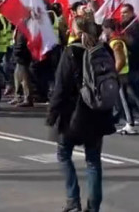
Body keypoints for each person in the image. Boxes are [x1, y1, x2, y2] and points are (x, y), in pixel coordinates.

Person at [47, 17, 115, 212]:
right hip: (99, 112)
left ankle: (73, 200)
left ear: (78, 30)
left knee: (63, 153)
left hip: (74, 114)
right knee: (93, 160)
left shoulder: (71, 51)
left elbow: (61, 86)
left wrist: (52, 114)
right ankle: (93, 207)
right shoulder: (105, 50)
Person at [100, 19, 137, 135]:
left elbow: (120, 61)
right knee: (121, 100)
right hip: (122, 74)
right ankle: (126, 122)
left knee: (123, 100)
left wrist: (113, 73)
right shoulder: (116, 41)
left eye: (103, 29)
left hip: (121, 75)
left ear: (108, 29)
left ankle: (130, 124)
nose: (102, 32)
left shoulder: (115, 43)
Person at [10, 28, 34, 107]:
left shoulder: (24, 26)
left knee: (24, 78)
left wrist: (16, 51)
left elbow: (22, 41)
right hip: (20, 55)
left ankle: (27, 99)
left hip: (22, 55)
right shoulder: (20, 25)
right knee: (17, 76)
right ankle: (18, 96)